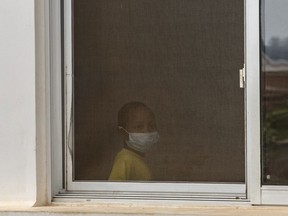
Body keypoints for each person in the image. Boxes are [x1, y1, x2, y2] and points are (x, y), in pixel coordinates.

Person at [108, 101, 160, 181]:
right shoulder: (125, 160)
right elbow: (114, 191)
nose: (147, 131)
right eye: (139, 127)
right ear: (123, 133)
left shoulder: (136, 159)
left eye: (151, 126)